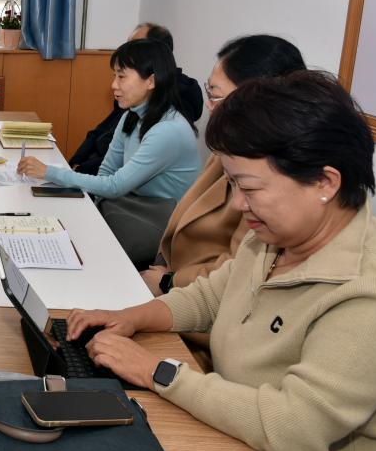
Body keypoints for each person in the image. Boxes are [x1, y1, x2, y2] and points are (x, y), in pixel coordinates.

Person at [66, 71, 376, 451]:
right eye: (233, 184)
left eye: (249, 187)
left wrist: (155, 370)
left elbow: (291, 427)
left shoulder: (369, 294)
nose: (238, 204)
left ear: (325, 183)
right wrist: (130, 317)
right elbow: (209, 298)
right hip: (234, 438)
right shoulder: (274, 237)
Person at [143, 34, 306, 297]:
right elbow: (183, 217)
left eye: (216, 96)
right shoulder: (227, 147)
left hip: (201, 298)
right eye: (208, 92)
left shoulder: (276, 176)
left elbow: (238, 269)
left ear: (257, 100)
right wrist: (161, 267)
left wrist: (168, 282)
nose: (209, 106)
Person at [19, 39, 201, 266]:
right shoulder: (132, 116)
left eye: (121, 76)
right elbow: (106, 171)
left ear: (151, 81)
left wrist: (49, 172)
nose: (114, 85)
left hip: (161, 228)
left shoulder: (168, 130)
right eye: (114, 76)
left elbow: (115, 186)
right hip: (133, 210)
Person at [69, 23, 203, 175]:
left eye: (135, 46)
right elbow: (100, 134)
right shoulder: (132, 101)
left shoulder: (173, 106)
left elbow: (123, 171)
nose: (114, 85)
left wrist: (79, 172)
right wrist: (75, 162)